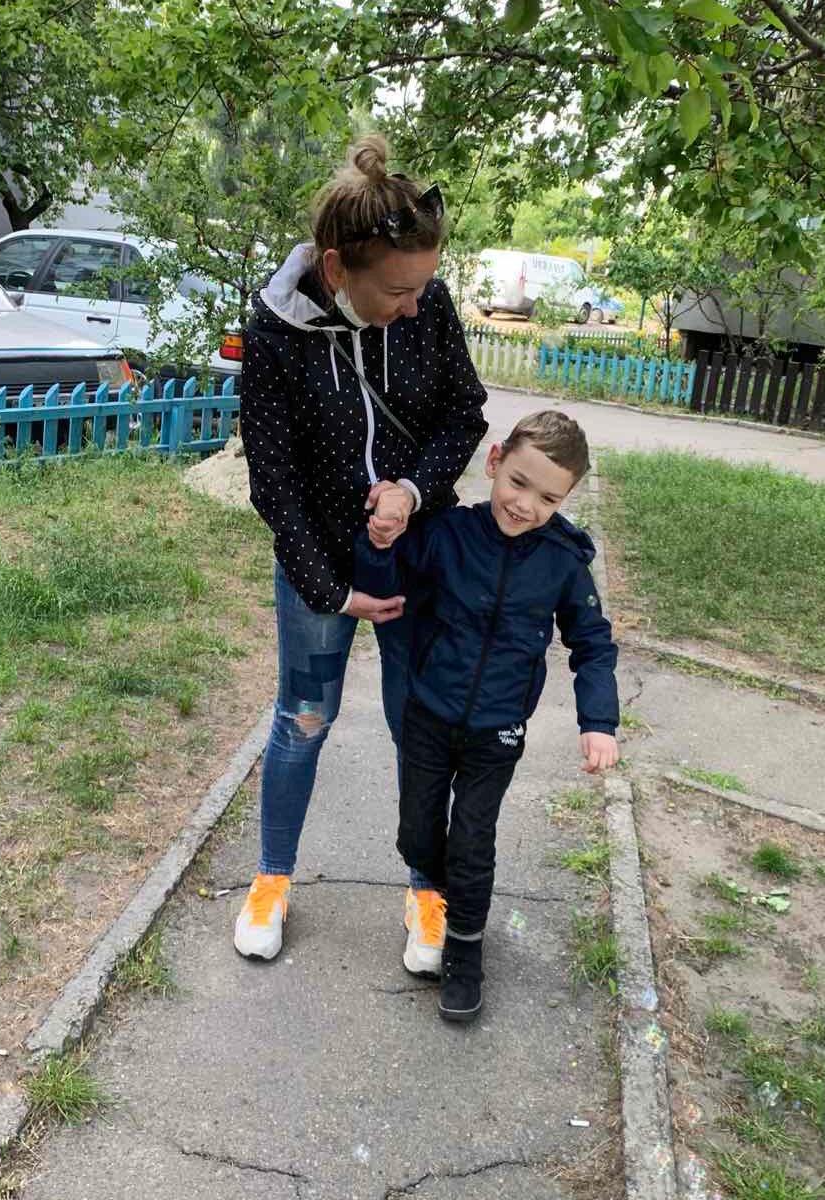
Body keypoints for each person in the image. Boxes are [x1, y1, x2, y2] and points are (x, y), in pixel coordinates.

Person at [235, 133, 488, 964]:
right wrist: (329, 591)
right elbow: (273, 482)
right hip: (321, 563)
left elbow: (463, 413)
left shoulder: (429, 306)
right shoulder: (275, 333)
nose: (415, 306)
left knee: (421, 723)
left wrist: (411, 491)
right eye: (399, 290)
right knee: (303, 719)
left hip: (416, 557)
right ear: (339, 268)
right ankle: (272, 877)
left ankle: (426, 886)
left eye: (425, 287)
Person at [355, 410, 620, 1022]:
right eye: (519, 483)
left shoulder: (563, 562)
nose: (526, 505)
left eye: (548, 498)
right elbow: (387, 583)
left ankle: (465, 955)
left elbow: (593, 643)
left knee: (473, 842)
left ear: (566, 499)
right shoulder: (448, 533)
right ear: (495, 461)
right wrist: (379, 544)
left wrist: (598, 723)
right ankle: (443, 887)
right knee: (417, 837)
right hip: (428, 714)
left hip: (497, 730)